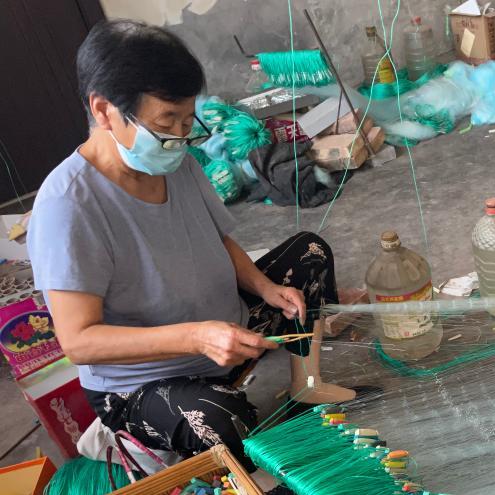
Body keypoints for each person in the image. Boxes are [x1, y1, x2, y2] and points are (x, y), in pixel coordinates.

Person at [27, 20, 379, 466]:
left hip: (225, 333)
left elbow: (216, 238)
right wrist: (196, 337)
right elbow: (79, 341)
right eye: (165, 122)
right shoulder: (67, 205)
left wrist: (265, 288)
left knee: (309, 253)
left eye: (186, 120)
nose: (179, 136)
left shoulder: (173, 159)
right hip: (142, 383)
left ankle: (306, 386)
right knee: (223, 421)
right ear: (104, 110)